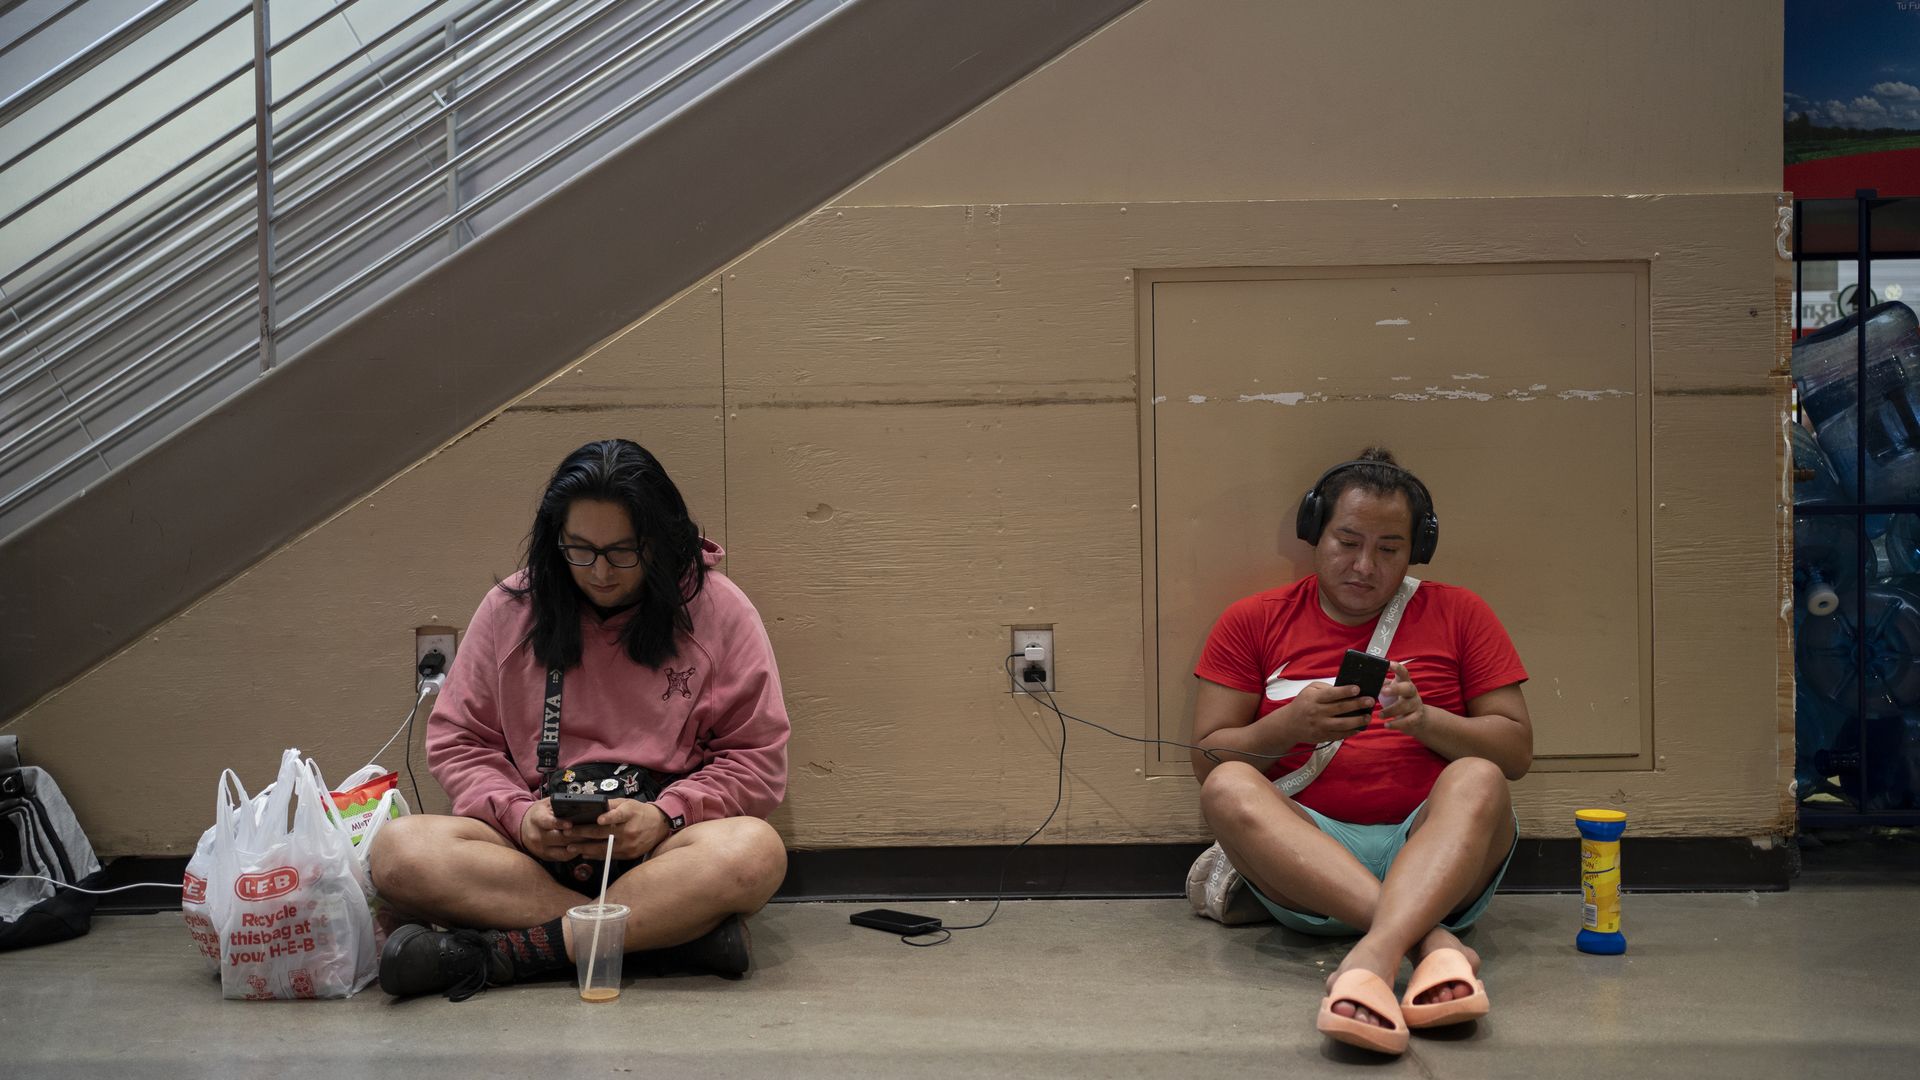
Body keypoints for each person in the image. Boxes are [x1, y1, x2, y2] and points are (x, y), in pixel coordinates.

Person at [370, 439, 790, 1000]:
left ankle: (505, 955)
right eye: (580, 550)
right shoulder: (511, 608)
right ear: (555, 542)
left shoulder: (718, 608)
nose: (600, 572)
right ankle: (669, 938)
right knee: (398, 853)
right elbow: (459, 741)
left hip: (661, 853)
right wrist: (520, 818)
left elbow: (756, 758)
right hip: (536, 853)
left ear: (661, 540)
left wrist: (666, 815)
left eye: (623, 552)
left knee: (754, 853)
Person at [1190, 447, 1531, 1055]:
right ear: (1314, 534)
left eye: (1389, 549)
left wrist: (1426, 722)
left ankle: (1372, 954)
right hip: (1307, 857)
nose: (1365, 566)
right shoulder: (1252, 620)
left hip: (1434, 848)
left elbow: (1515, 753)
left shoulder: (1461, 612)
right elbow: (1206, 760)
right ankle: (1432, 943)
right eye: (1347, 542)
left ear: (1415, 550)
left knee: (1477, 775)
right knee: (1227, 788)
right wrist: (1286, 728)